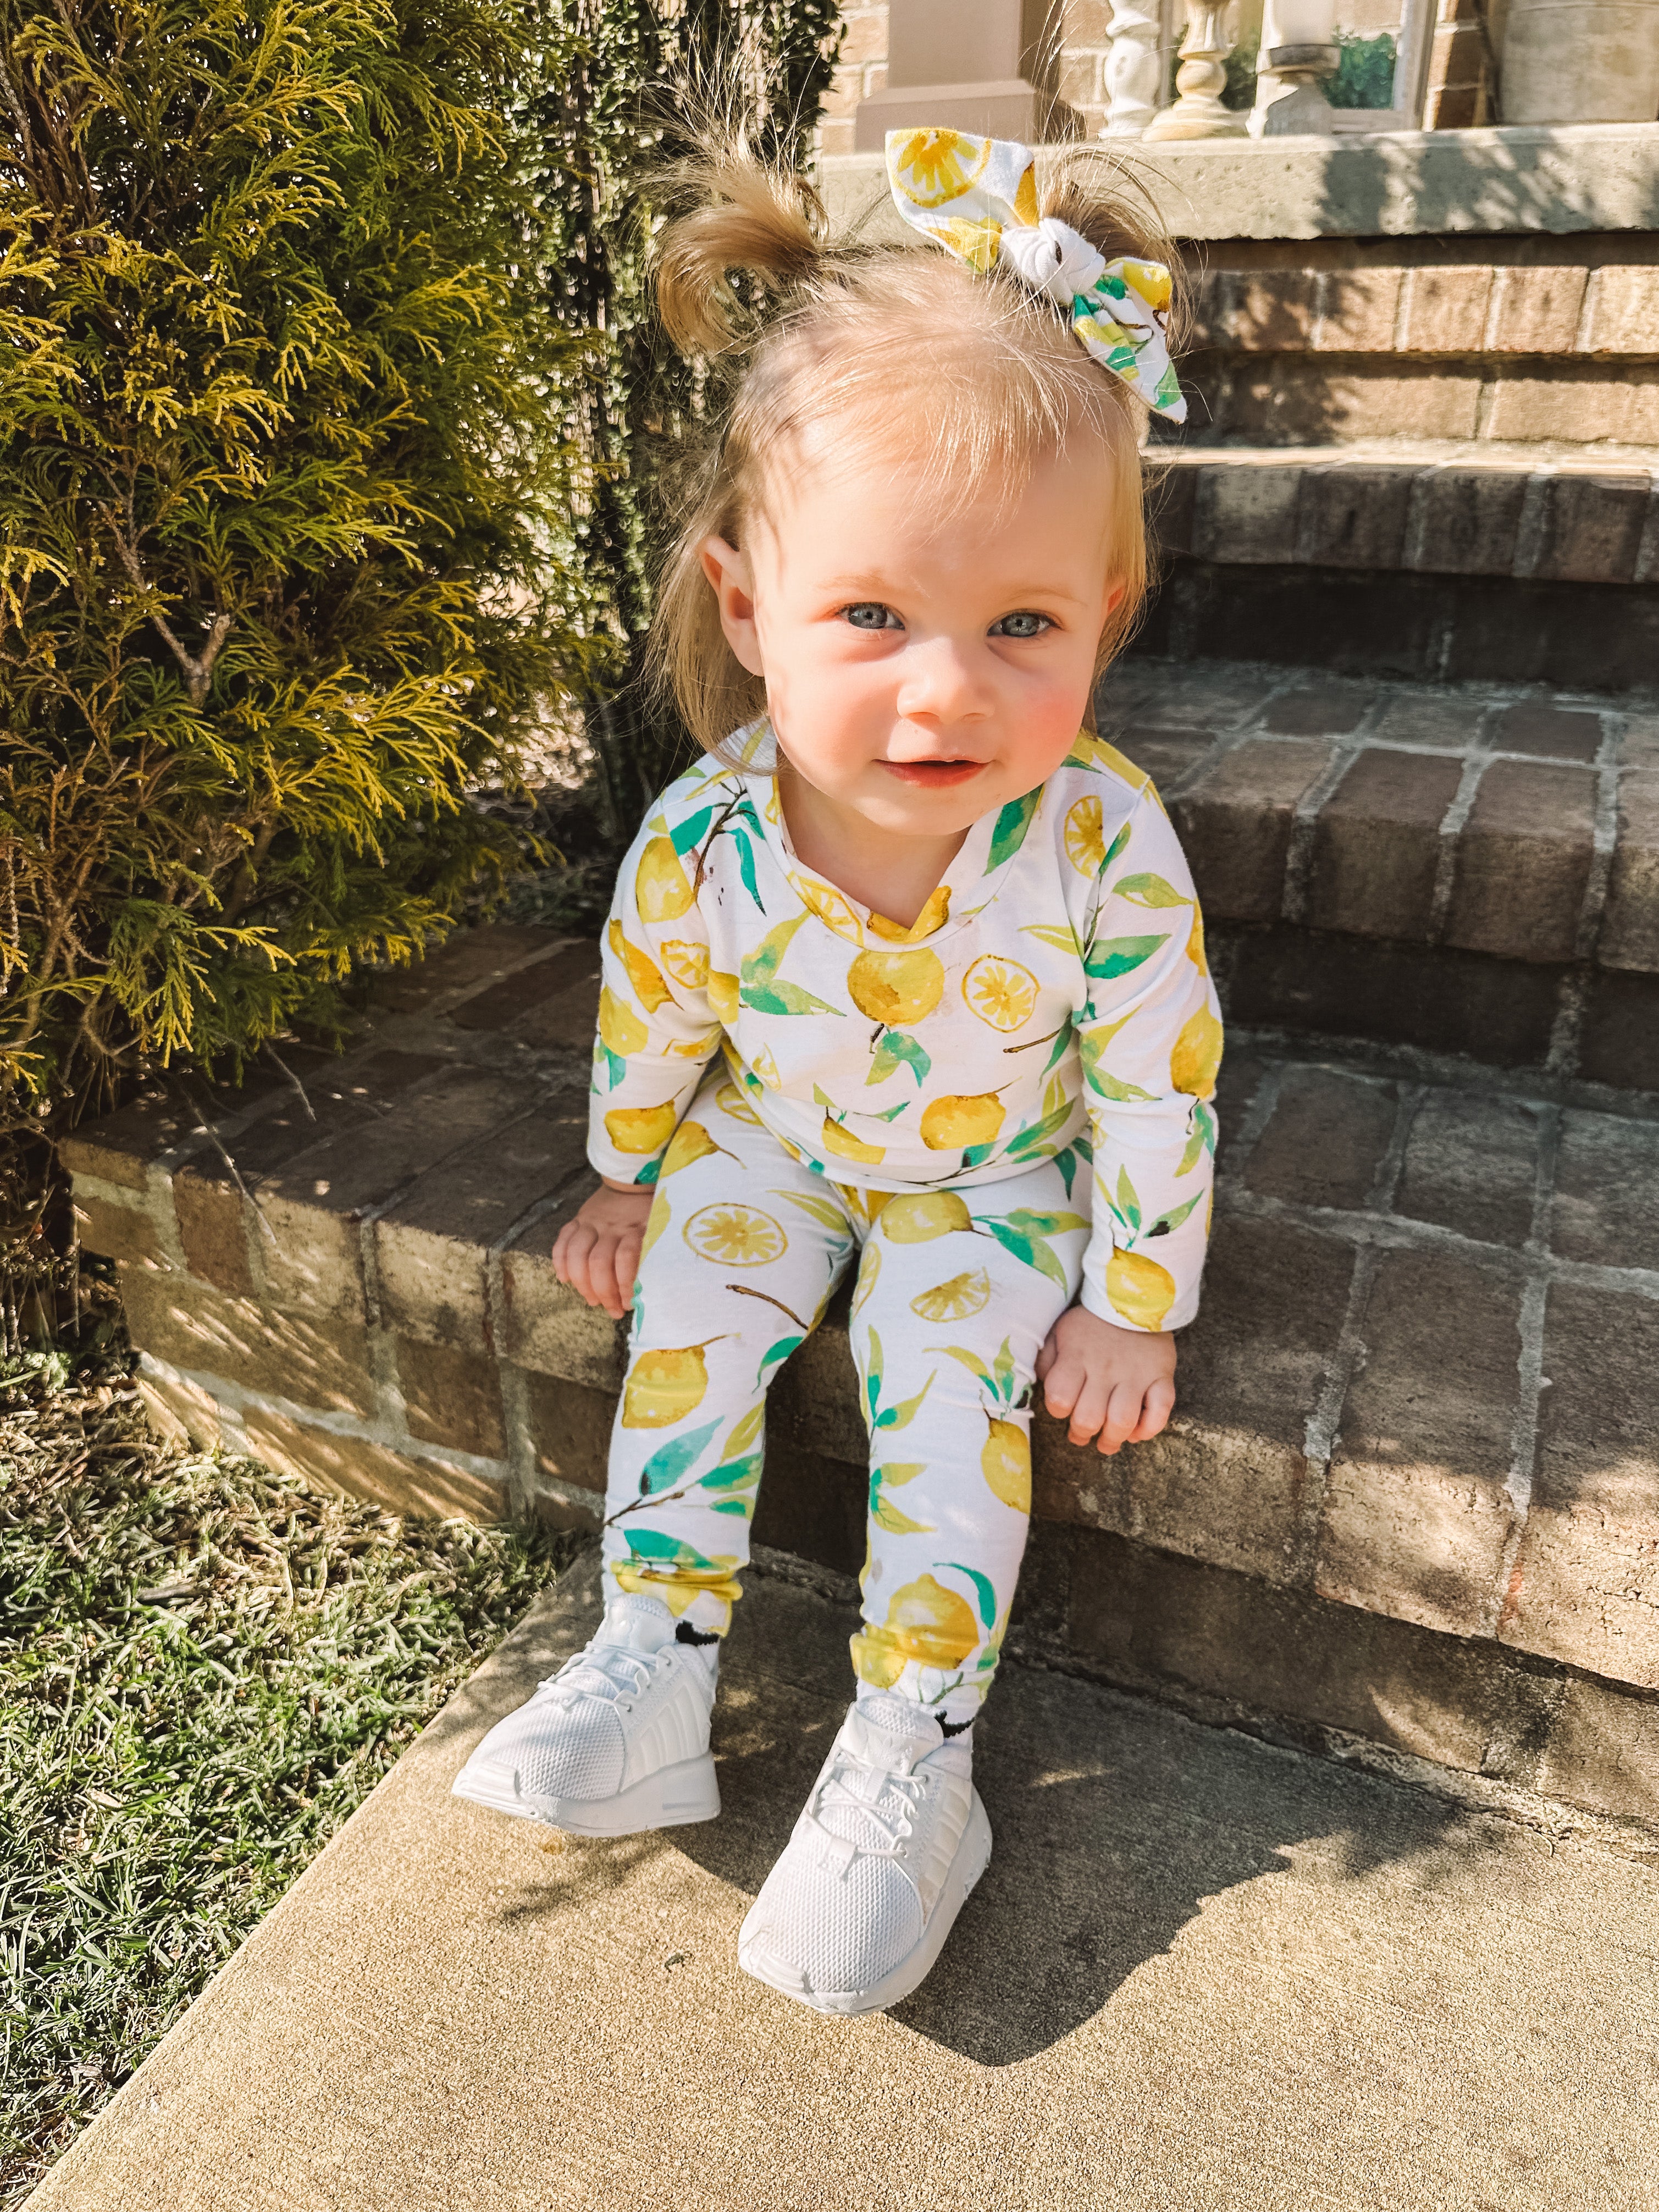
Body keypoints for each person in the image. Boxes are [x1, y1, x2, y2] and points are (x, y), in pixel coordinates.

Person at [455, 126, 1221, 2017]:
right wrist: (633, 1168)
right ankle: (654, 1658)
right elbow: (658, 1003)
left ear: (1101, 623)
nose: (943, 691)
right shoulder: (709, 835)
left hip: (992, 1185)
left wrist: (1133, 1301)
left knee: (946, 1382)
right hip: (776, 1147)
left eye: (1019, 626)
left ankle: (913, 1752)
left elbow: (1155, 1078)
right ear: (744, 609)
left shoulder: (1101, 847)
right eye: (871, 616)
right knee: (700, 1320)